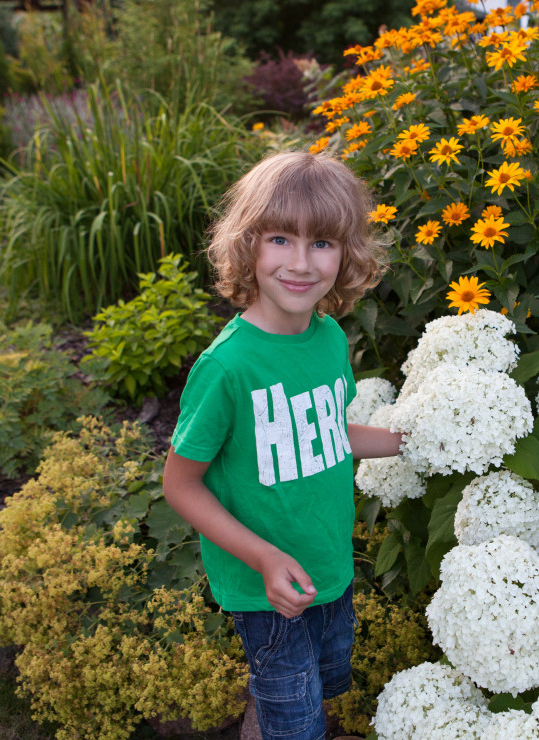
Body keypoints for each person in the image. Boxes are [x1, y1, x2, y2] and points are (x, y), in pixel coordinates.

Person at [163, 151, 403, 740]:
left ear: (347, 253)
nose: (300, 263)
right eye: (279, 239)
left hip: (329, 567)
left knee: (319, 689)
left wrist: (407, 440)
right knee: (293, 722)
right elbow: (180, 483)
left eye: (322, 242)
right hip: (266, 590)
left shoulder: (327, 340)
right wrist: (264, 558)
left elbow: (325, 435)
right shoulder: (228, 367)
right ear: (247, 245)